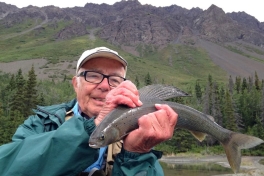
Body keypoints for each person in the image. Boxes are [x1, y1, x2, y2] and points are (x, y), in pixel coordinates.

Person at [0, 46, 178, 176]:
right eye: (93, 75)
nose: (104, 86)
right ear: (75, 84)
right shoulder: (41, 123)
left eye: (115, 79)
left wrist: (136, 154)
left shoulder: (136, 129)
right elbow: (8, 168)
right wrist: (93, 127)